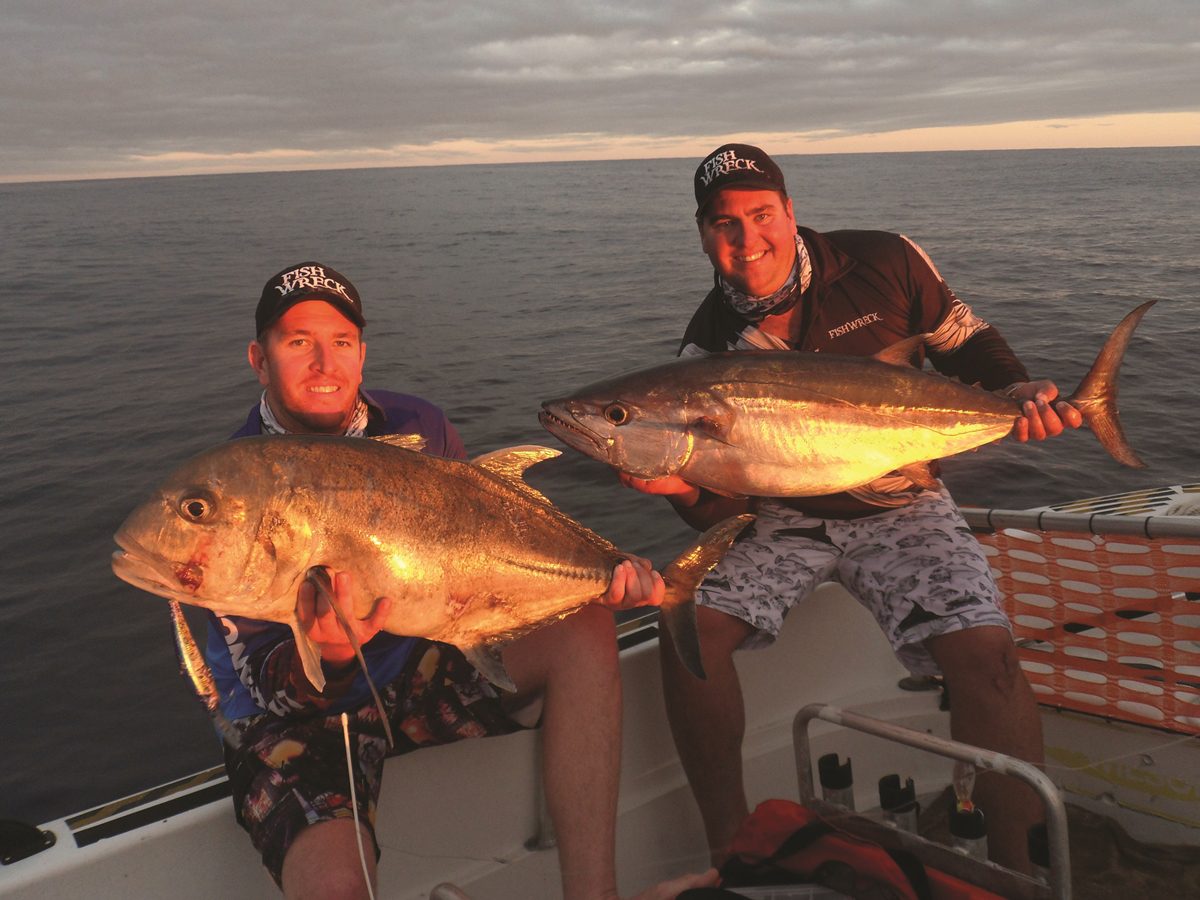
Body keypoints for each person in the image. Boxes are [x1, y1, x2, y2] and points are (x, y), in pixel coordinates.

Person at [619, 145, 1083, 873]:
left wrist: (1016, 391)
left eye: (761, 215)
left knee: (988, 659)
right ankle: (732, 849)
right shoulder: (706, 345)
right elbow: (723, 511)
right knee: (687, 627)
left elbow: (965, 342)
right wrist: (679, 487)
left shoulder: (886, 261)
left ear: (791, 212)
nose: (747, 242)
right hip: (784, 515)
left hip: (905, 500)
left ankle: (1016, 876)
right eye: (724, 225)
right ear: (703, 233)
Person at [203, 261, 720, 900]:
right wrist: (332, 655)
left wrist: (583, 583)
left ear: (362, 355)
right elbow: (251, 679)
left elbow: (474, 550)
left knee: (585, 627)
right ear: (260, 358)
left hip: (416, 663)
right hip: (296, 716)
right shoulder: (228, 489)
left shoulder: (419, 426)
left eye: (340, 342)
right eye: (297, 342)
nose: (323, 362)